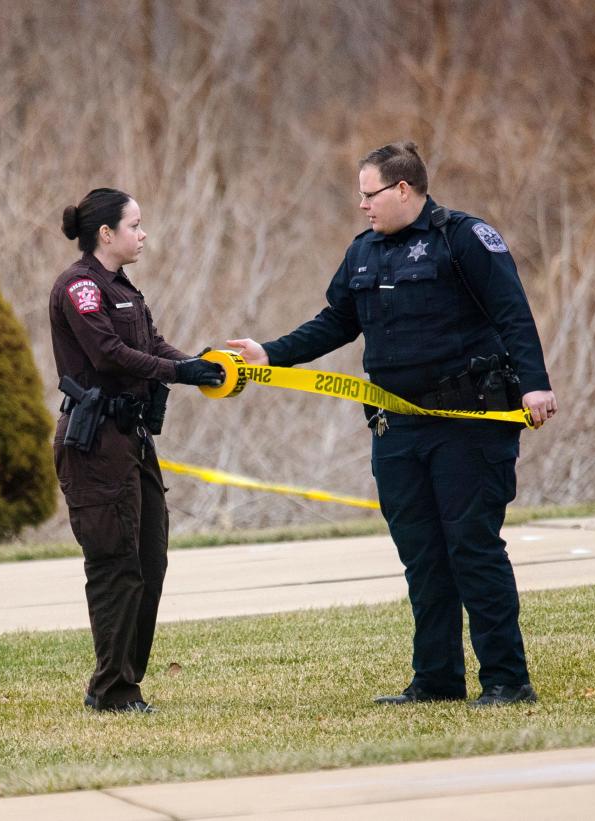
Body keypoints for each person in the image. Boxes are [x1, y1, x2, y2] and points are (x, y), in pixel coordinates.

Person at [228, 142, 557, 707]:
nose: (362, 206)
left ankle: (506, 679)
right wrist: (270, 354)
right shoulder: (363, 253)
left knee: (472, 549)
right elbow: (334, 323)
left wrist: (534, 382)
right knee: (422, 555)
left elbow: (512, 311)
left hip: (468, 421)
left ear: (403, 189)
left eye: (369, 193)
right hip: (395, 429)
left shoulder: (464, 239)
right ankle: (436, 680)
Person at [50, 187, 223, 713]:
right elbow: (108, 355)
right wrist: (176, 370)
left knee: (150, 559)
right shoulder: (80, 287)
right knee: (115, 564)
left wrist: (200, 365)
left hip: (133, 441)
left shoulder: (123, 289)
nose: (143, 234)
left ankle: (127, 682)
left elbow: (151, 346)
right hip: (95, 444)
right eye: (135, 225)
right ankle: (111, 690)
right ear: (106, 233)